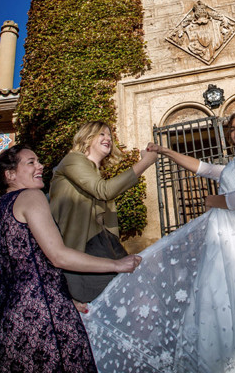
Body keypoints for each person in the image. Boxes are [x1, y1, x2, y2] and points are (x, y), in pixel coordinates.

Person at [81, 111, 235, 372]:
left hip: (231, 236)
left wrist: (210, 202)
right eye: (232, 128)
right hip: (227, 234)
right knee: (221, 297)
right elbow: (203, 168)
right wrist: (165, 150)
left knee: (222, 296)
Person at [0, 144, 141, 373]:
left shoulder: (2, 208)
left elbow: (27, 266)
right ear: (10, 175)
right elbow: (58, 256)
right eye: (31, 162)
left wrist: (65, 298)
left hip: (10, 318)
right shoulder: (31, 196)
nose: (40, 166)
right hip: (42, 316)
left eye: (38, 161)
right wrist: (116, 264)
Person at [49, 121, 157, 305]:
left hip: (103, 244)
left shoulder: (94, 173)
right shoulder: (73, 160)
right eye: (102, 134)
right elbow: (104, 190)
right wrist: (145, 162)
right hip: (83, 249)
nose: (108, 138)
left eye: (110, 136)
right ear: (87, 137)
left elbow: (109, 225)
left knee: (137, 292)